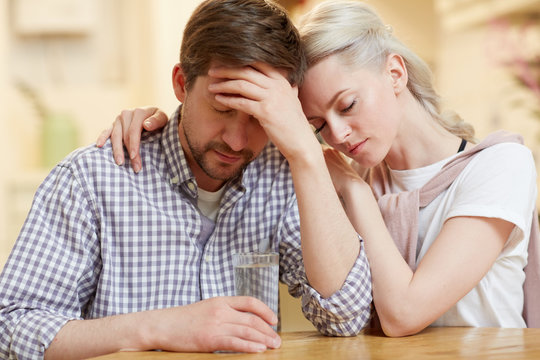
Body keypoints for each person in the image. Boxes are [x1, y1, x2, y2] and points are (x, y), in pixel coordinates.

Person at [106, 0, 540, 337]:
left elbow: (403, 314)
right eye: (317, 125)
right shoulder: (340, 174)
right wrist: (161, 124)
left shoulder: (500, 165)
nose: (338, 135)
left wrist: (354, 192)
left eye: (347, 105)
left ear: (394, 73)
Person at [0, 1, 373, 358]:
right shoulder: (90, 180)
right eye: (222, 109)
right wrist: (159, 328)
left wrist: (307, 154)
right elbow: (12, 329)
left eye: (260, 118)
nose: (236, 141)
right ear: (181, 83)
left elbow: (346, 316)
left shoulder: (283, 176)